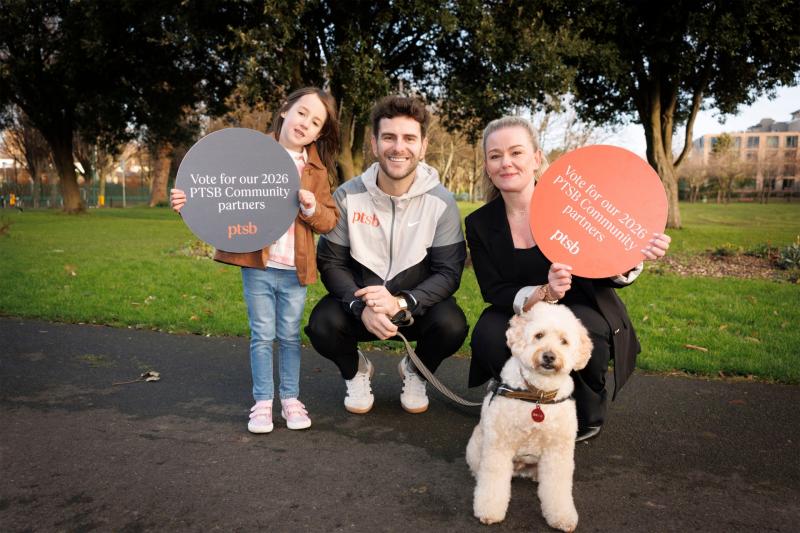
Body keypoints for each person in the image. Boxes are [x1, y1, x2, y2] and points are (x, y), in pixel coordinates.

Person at [465, 116, 671, 442]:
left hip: (579, 303)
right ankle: (516, 393)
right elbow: (493, 289)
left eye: (516, 152)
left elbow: (607, 270)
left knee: (587, 330)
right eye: (495, 156)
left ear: (536, 158)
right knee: (490, 334)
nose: (506, 163)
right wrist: (543, 292)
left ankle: (583, 405)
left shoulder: (571, 205)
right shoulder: (478, 223)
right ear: (488, 166)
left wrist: (632, 257)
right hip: (522, 307)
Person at [170, 87, 340, 434]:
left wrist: (311, 208)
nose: (305, 123)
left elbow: (329, 220)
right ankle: (263, 403)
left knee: (290, 336)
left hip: (295, 269)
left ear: (320, 133)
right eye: (302, 112)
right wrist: (187, 198)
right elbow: (213, 187)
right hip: (258, 265)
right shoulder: (249, 155)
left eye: (316, 122)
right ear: (284, 111)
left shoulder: (317, 170)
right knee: (262, 335)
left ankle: (291, 400)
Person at [305, 95, 469, 415]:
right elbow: (331, 261)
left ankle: (416, 370)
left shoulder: (442, 202)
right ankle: (356, 371)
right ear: (375, 143)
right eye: (389, 137)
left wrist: (402, 302)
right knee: (322, 324)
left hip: (414, 309)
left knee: (452, 326)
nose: (399, 147)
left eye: (409, 138)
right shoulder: (348, 194)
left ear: (423, 145)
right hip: (362, 308)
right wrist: (359, 305)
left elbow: (449, 272)